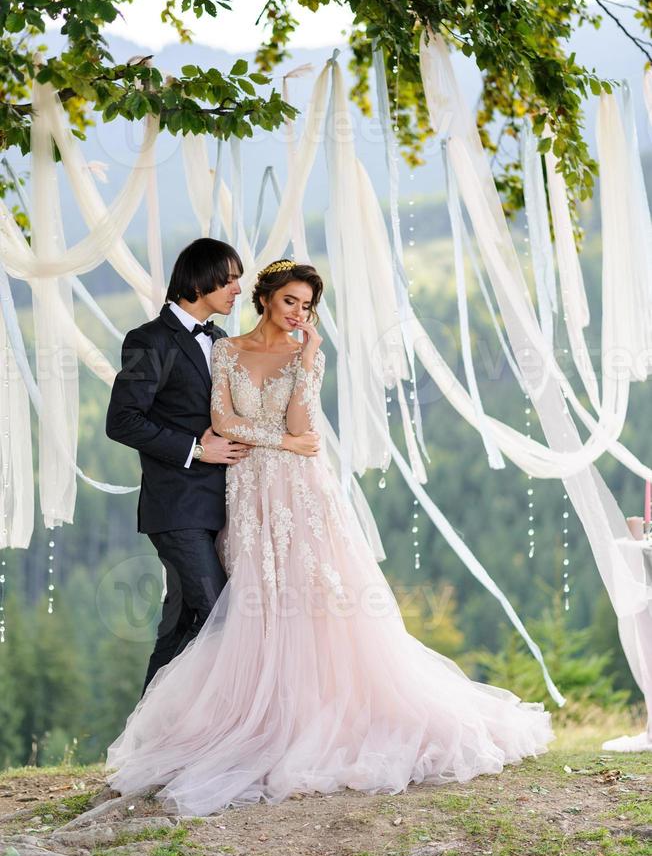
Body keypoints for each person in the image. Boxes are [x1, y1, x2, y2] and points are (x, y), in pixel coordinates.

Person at [105, 259, 552, 815]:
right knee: (241, 604)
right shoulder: (223, 348)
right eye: (289, 300)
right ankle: (204, 727)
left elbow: (302, 427)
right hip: (244, 491)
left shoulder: (301, 353)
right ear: (266, 299)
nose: (298, 313)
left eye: (308, 306)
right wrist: (281, 443)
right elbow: (221, 422)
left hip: (297, 491)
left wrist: (309, 362)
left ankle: (295, 721)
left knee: (309, 598)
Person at [105, 242, 319, 695]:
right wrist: (194, 450)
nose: (238, 290)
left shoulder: (222, 342)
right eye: (229, 280)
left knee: (182, 623)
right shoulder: (149, 340)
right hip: (178, 508)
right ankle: (221, 733)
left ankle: (152, 739)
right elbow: (121, 421)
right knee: (225, 613)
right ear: (200, 279)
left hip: (230, 507)